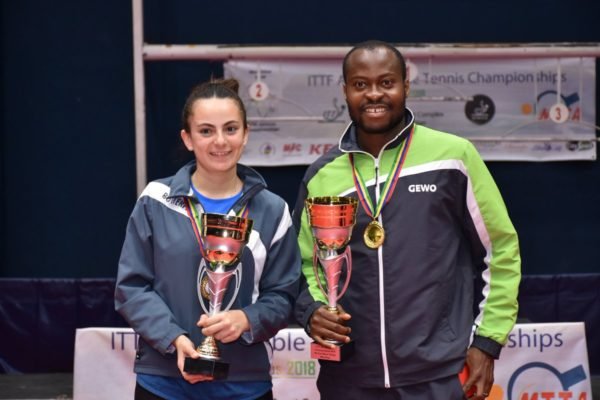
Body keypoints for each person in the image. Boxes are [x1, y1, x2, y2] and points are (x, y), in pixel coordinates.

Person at [293, 40, 521, 400]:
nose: (373, 94)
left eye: (386, 83)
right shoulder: (323, 175)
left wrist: (488, 340)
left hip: (438, 374)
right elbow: (306, 264)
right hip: (349, 378)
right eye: (360, 84)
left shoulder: (453, 157)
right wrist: (313, 310)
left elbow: (502, 250)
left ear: (406, 87)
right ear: (345, 91)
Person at [115, 78, 301, 400]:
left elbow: (283, 296)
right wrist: (173, 338)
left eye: (230, 129)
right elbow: (132, 287)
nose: (220, 141)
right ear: (187, 139)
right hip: (163, 380)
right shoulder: (155, 200)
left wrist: (247, 319)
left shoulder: (273, 210)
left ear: (246, 134)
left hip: (245, 384)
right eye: (206, 131)